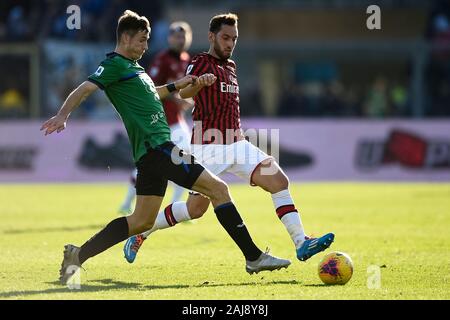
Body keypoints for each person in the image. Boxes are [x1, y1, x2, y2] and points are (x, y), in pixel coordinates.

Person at [41, 10, 291, 285]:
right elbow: (84, 89)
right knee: (219, 189)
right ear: (125, 38)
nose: (145, 46)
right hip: (158, 148)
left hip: (152, 153)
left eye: (147, 41)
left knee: (141, 221)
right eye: (141, 41)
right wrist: (63, 115)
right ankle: (254, 257)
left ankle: (78, 255)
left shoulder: (135, 68)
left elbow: (152, 93)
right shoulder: (113, 66)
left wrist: (176, 85)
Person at [124, 13, 334, 265]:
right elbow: (185, 91)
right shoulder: (200, 62)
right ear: (212, 36)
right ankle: (141, 233)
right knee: (194, 210)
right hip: (208, 147)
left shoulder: (231, 66)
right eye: (225, 38)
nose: (230, 43)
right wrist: (199, 84)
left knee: (279, 181)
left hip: (237, 143)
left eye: (234, 39)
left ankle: (301, 242)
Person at [119, 21, 194, 214]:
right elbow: (151, 88)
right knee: (177, 159)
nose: (180, 39)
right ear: (169, 38)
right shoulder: (162, 59)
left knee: (182, 159)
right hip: (160, 119)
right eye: (177, 36)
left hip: (177, 120)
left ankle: (174, 207)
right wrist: (176, 99)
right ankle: (131, 204)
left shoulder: (186, 60)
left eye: (183, 36)